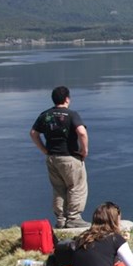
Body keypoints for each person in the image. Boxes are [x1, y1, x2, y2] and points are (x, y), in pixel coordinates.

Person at [30, 86, 90, 229]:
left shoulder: (45, 115)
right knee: (76, 187)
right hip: (69, 157)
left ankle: (61, 219)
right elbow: (82, 132)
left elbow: (33, 133)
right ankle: (74, 218)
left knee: (58, 188)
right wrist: (84, 150)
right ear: (67, 99)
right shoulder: (71, 115)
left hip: (52, 157)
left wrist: (44, 149)